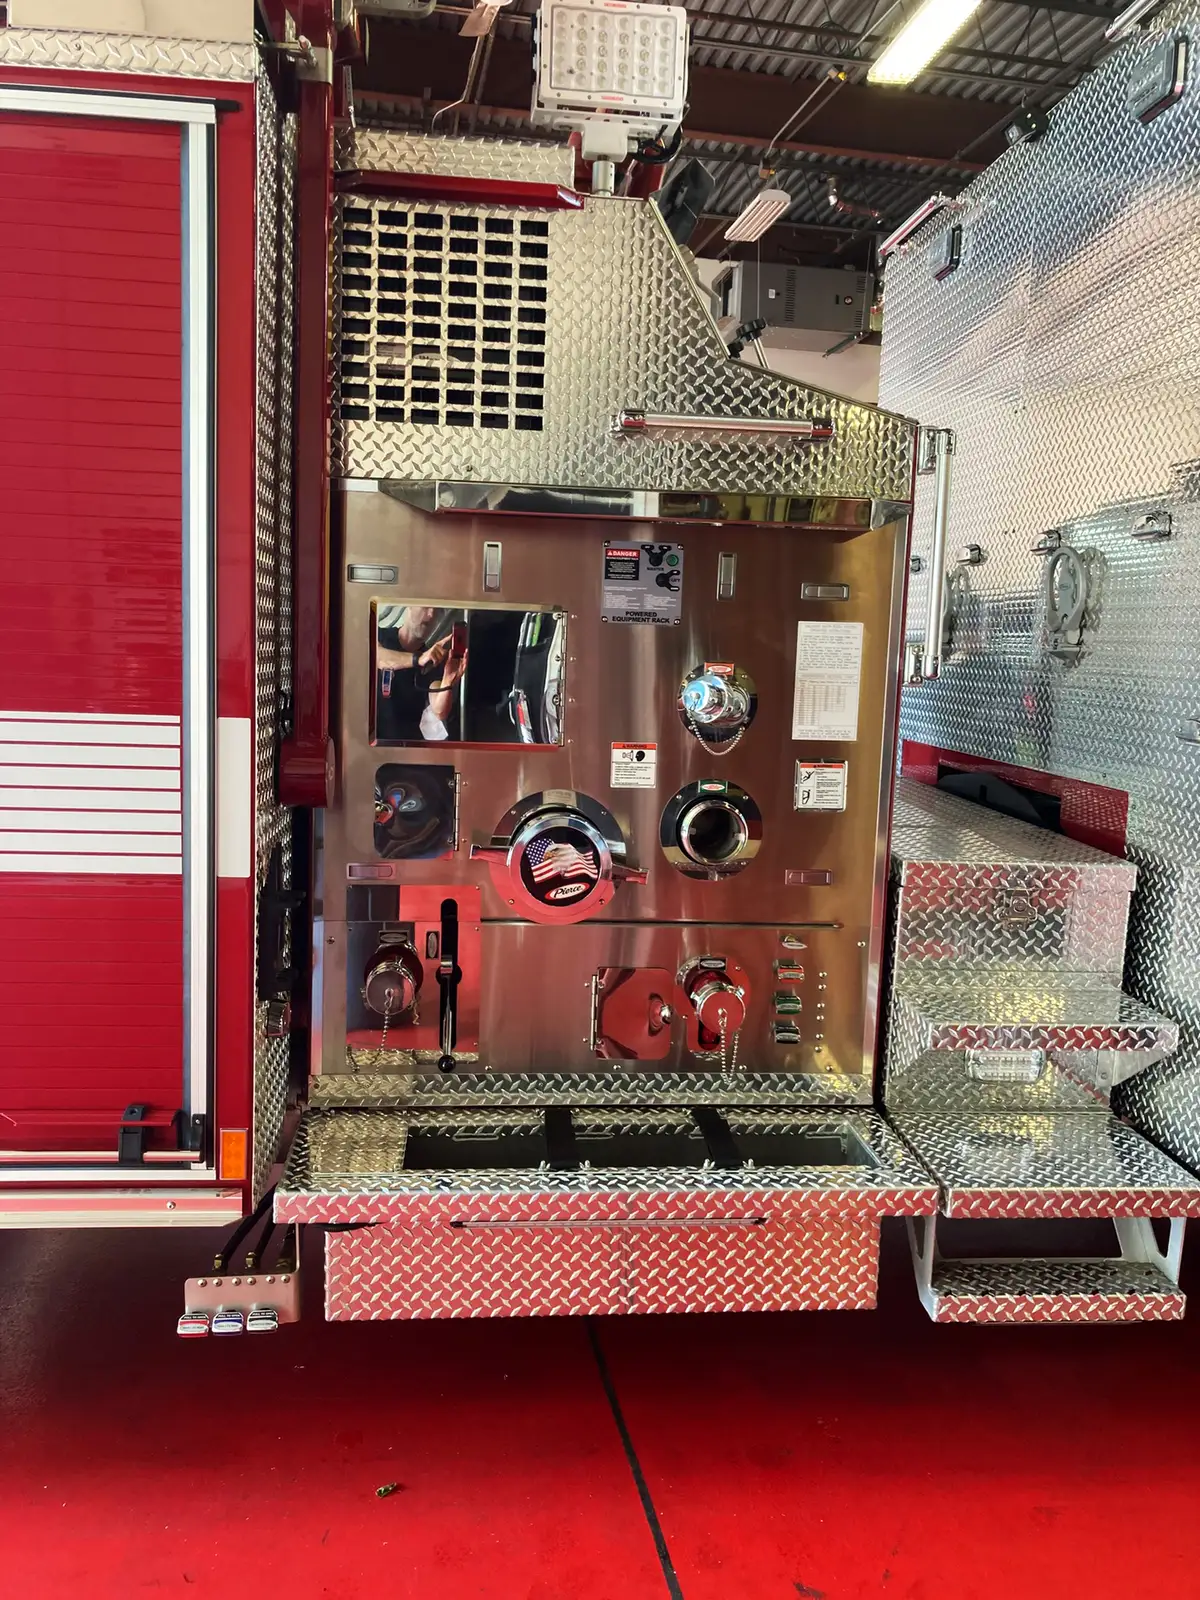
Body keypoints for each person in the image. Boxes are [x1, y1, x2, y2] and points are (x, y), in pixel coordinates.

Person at [374, 605, 467, 742]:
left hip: (404, 748)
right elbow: (377, 657)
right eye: (426, 607)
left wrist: (448, 681)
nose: (431, 615)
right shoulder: (379, 635)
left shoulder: (433, 662)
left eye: (437, 611)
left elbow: (439, 710)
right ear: (409, 605)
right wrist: (417, 659)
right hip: (367, 744)